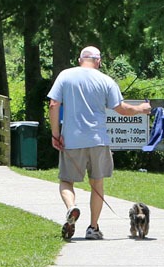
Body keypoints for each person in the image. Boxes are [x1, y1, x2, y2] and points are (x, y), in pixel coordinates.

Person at [48, 46, 151, 240]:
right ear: (99, 61)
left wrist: (55, 134)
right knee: (97, 183)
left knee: (66, 181)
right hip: (98, 140)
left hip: (72, 139)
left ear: (80, 60)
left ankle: (72, 207)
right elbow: (121, 109)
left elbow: (54, 104)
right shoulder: (106, 80)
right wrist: (141, 108)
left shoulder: (65, 76)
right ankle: (93, 228)